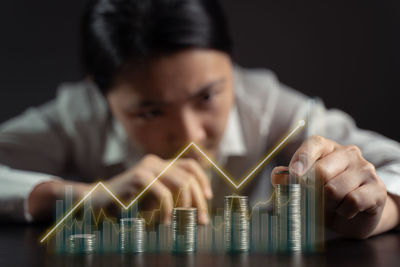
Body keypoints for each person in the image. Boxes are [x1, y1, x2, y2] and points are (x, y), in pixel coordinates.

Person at [0, 0, 399, 240]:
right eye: (150, 110)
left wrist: (377, 211)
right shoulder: (79, 115)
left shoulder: (266, 105)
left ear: (231, 66)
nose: (190, 134)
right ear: (100, 94)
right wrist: (85, 196)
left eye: (207, 96)